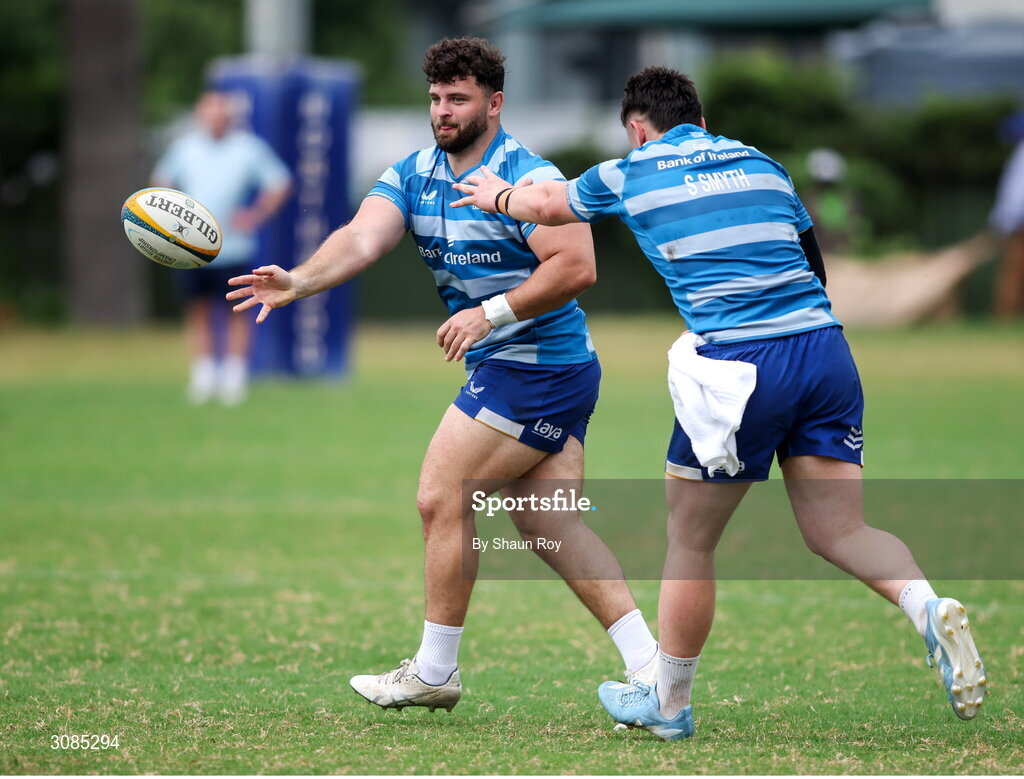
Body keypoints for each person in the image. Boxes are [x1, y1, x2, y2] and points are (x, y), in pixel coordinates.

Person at [452, 66, 987, 740]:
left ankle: (669, 705)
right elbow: (812, 263)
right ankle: (927, 604)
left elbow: (550, 207)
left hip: (743, 363)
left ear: (638, 127)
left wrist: (500, 196)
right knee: (839, 528)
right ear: (700, 120)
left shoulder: (634, 166)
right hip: (825, 350)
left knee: (691, 536)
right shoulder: (762, 162)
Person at [226, 37, 657, 713]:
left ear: (495, 102)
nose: (443, 111)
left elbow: (576, 266)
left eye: (458, 98)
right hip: (535, 369)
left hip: (538, 367)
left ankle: (434, 670)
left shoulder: (528, 175)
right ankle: (653, 669)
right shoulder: (415, 173)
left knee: (442, 493)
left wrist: (491, 311)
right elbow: (362, 236)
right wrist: (300, 280)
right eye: (435, 98)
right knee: (550, 525)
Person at [153, 90, 292, 405]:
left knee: (237, 310)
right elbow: (161, 181)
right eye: (209, 112)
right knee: (197, 309)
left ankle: (233, 377)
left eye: (221, 112)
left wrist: (256, 214)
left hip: (234, 247)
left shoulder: (248, 148)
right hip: (191, 249)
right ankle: (203, 376)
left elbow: (280, 182)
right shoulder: (185, 148)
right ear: (200, 116)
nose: (216, 118)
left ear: (229, 116)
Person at [990, 113, 1024, 318]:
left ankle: (1005, 320)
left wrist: (1002, 224)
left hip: (1019, 228)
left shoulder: (1022, 154)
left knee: (1012, 276)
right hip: (1016, 226)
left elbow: (1016, 196)